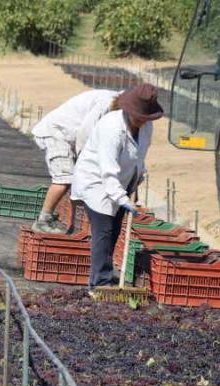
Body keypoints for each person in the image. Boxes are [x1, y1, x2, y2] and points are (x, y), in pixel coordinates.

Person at [70, 83, 163, 291]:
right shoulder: (112, 128)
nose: (141, 121)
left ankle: (103, 277)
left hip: (121, 183)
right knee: (103, 230)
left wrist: (136, 182)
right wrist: (121, 199)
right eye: (138, 116)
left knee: (114, 231)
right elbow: (108, 170)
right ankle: (99, 284)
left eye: (145, 117)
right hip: (96, 182)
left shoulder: (146, 126)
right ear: (128, 109)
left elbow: (139, 157)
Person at [31, 89, 120, 233]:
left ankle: (75, 226)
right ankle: (43, 220)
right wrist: (84, 162)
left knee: (78, 182)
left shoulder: (116, 108)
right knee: (64, 179)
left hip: (68, 137)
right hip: (56, 133)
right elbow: (84, 135)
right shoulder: (105, 104)